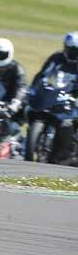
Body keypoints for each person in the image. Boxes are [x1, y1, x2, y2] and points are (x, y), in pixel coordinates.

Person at [30, 32, 78, 164]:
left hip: (73, 96)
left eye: (74, 50)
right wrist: (36, 87)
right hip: (57, 94)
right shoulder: (56, 57)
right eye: (68, 48)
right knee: (32, 108)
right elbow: (43, 74)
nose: (70, 52)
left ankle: (71, 150)